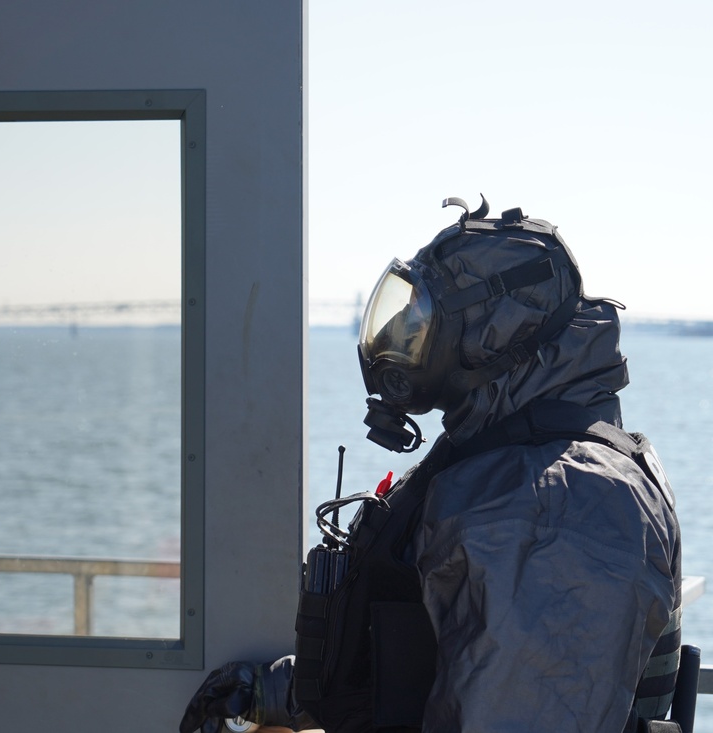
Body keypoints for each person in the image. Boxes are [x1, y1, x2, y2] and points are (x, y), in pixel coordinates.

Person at [179, 198, 682, 733]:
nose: (399, 340)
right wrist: (270, 693)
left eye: (419, 322)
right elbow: (426, 663)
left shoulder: (551, 510)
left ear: (493, 338)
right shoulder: (503, 464)